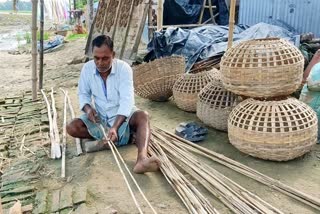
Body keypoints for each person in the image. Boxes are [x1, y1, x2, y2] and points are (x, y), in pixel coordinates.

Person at [66, 35, 160, 174]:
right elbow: (83, 94)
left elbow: (127, 101)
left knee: (142, 116)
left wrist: (115, 127)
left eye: (105, 58)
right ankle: (118, 139)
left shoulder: (124, 69)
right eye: (96, 58)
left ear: (113, 55)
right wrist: (88, 109)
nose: (100, 62)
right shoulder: (87, 69)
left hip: (122, 118)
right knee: (72, 127)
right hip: (100, 119)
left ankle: (142, 159)